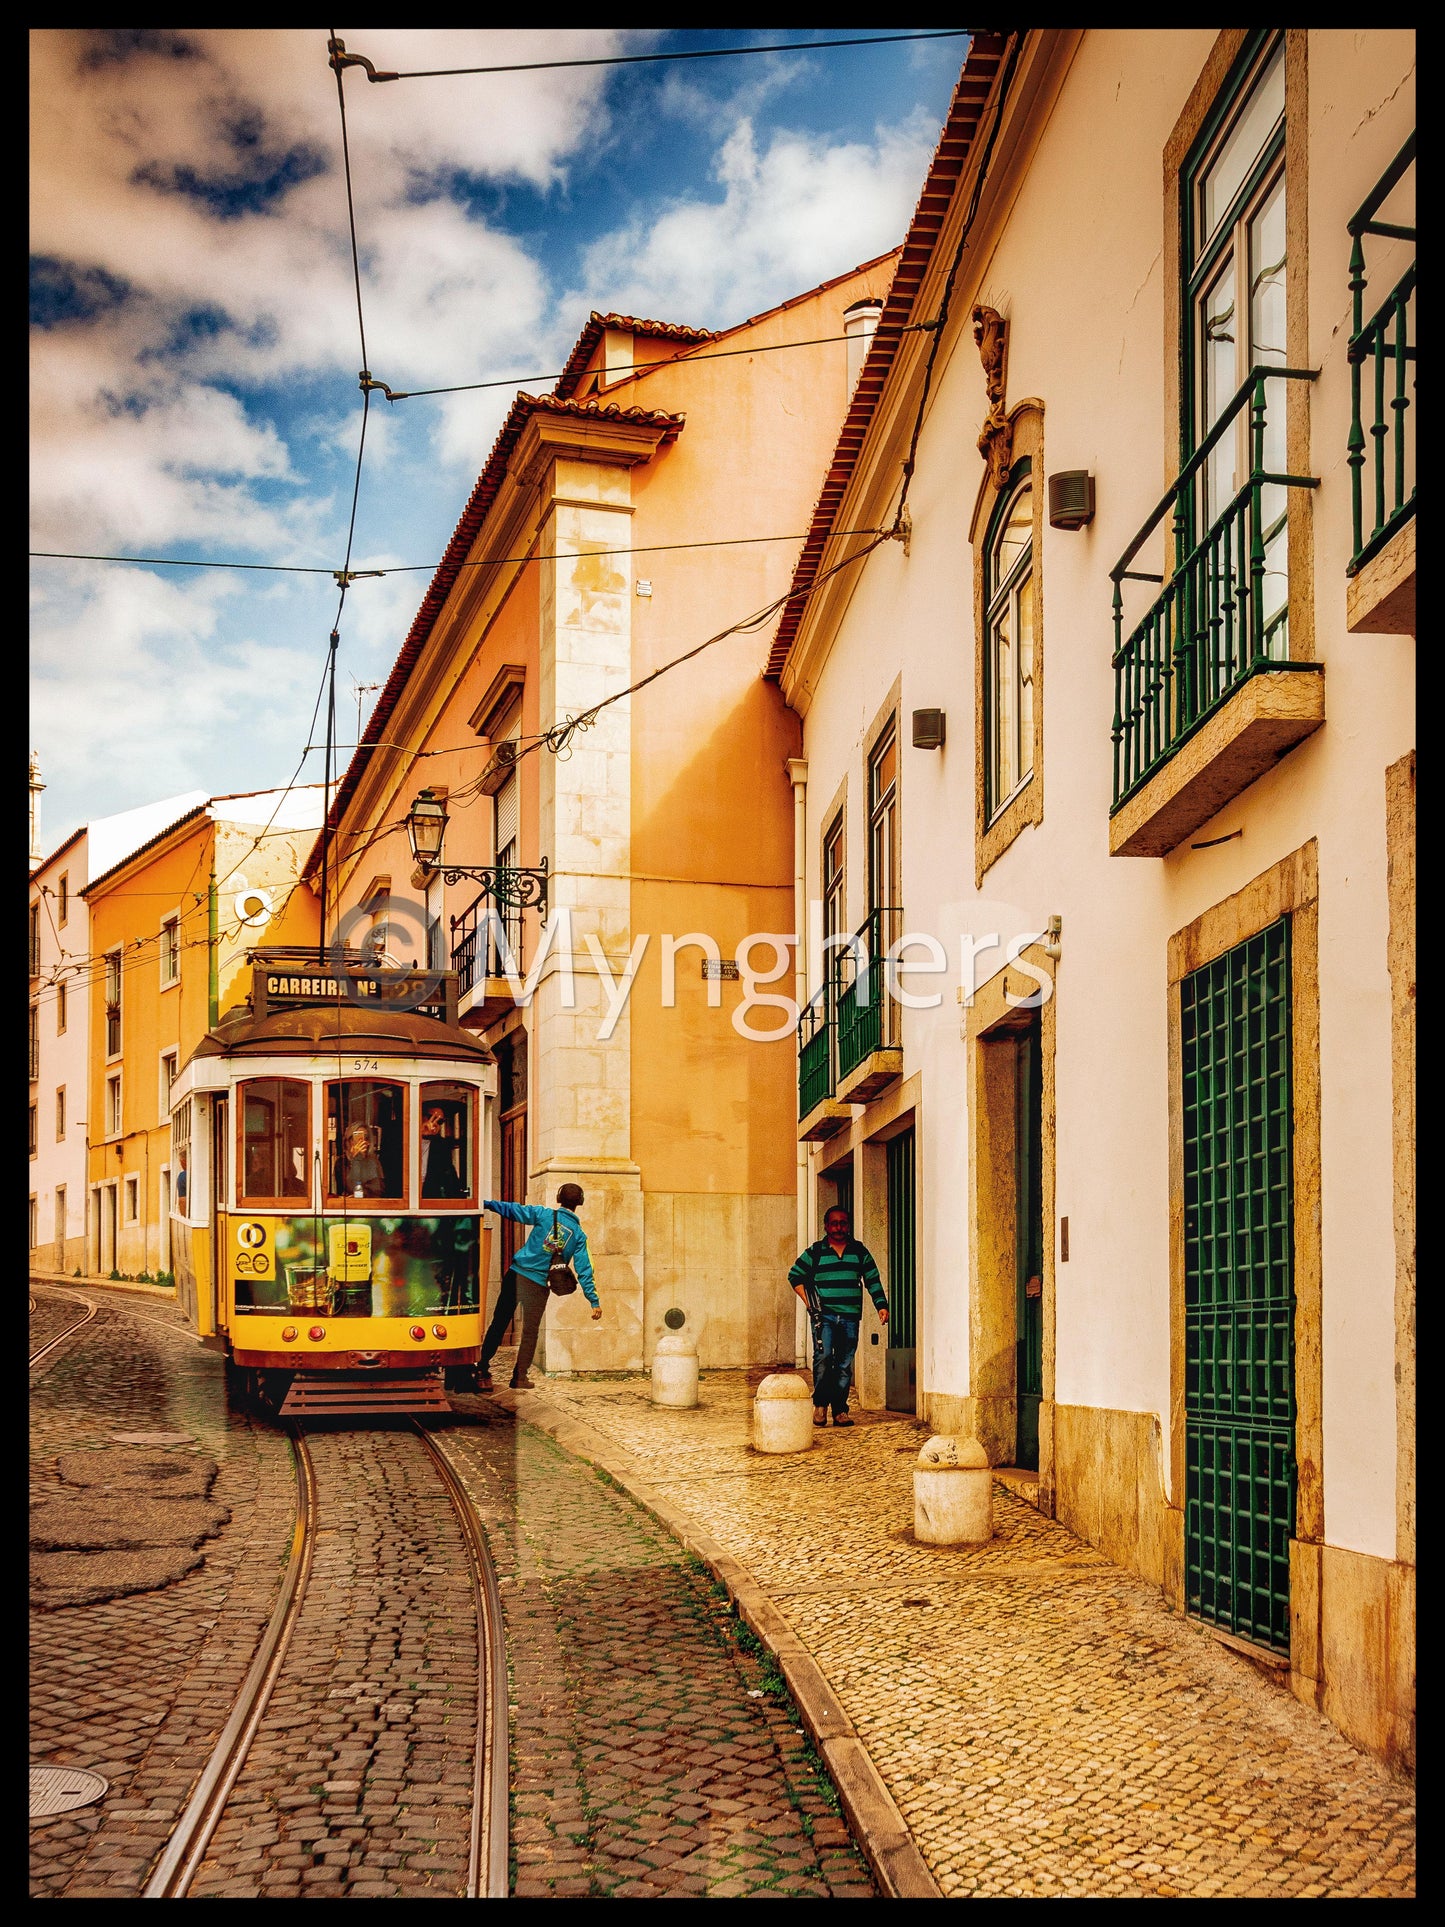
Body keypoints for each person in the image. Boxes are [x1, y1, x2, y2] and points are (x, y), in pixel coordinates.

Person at [476, 1182, 601, 1390]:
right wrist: (593, 1301)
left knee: (498, 1322)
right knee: (530, 1331)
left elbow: (514, 1210)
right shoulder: (578, 1235)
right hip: (539, 1285)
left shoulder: (543, 1214)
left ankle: (482, 1367)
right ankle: (519, 1377)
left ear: (559, 1198)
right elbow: (585, 1269)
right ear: (580, 1203)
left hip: (516, 1275)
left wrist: (487, 1204)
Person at [788, 1206, 888, 1427]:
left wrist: (881, 1306)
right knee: (823, 1359)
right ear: (826, 1226)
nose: (839, 1227)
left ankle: (840, 1411)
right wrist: (809, 1302)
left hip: (850, 1317)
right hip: (824, 1318)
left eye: (843, 1223)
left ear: (848, 1225)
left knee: (844, 1364)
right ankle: (821, 1406)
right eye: (834, 1223)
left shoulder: (859, 1251)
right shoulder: (815, 1252)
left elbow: (872, 1280)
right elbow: (794, 1275)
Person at [421, 1105, 466, 1200]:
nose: (435, 1123)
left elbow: (449, 1173)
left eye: (440, 1121)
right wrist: (420, 1134)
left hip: (430, 1197)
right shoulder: (405, 1137)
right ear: (421, 1117)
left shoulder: (442, 1145)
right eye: (431, 1118)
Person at [342, 1123, 384, 1198]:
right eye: (358, 1137)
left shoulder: (373, 1162)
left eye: (366, 1137)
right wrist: (356, 1159)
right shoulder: (341, 1162)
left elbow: (377, 1190)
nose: (363, 1141)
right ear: (349, 1141)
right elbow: (350, 1188)